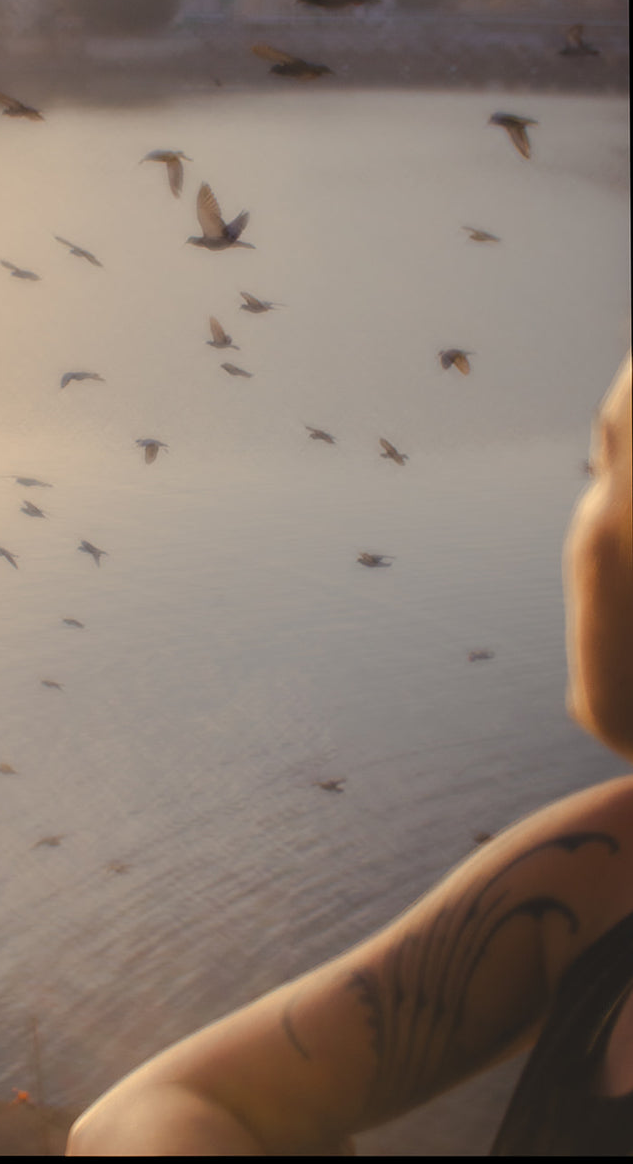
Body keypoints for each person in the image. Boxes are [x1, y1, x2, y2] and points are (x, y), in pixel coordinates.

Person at [68, 352, 633, 1156]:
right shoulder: (599, 867)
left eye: (603, 464)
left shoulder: (596, 873)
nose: (577, 520)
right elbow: (150, 1107)